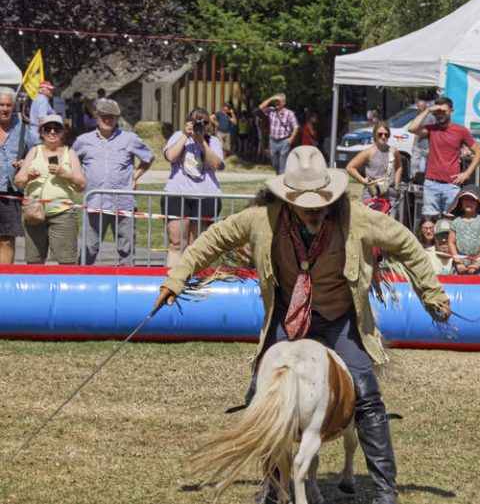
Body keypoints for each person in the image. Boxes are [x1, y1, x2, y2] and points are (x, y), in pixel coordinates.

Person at [154, 146, 451, 504]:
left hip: (340, 318)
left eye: (320, 201)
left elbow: (407, 244)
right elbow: (213, 240)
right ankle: (273, 484)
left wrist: (432, 293)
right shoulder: (262, 219)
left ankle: (385, 491)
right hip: (287, 317)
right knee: (258, 394)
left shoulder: (356, 218)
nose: (314, 209)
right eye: (306, 203)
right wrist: (176, 279)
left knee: (366, 393)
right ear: (287, 198)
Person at [73, 99, 155, 266]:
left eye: (112, 116)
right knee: (89, 248)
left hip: (123, 202)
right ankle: (83, 277)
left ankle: (126, 279)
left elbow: (148, 157)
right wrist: (78, 176)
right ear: (96, 117)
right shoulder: (83, 140)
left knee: (126, 249)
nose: (108, 120)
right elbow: (71, 160)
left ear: (117, 118)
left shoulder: (129, 139)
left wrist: (135, 177)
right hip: (95, 203)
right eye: (104, 116)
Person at [14, 114, 85, 264]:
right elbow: (18, 182)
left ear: (63, 132)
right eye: (48, 129)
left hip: (63, 213)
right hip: (34, 213)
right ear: (41, 132)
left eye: (56, 129)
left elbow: (81, 185)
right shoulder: (34, 151)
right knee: (34, 262)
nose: (52, 132)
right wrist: (28, 177)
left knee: (67, 262)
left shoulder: (69, 152)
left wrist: (64, 173)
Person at [162, 107, 225, 267]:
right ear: (188, 122)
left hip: (206, 196)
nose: (200, 125)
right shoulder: (178, 136)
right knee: (176, 243)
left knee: (197, 244)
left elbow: (216, 164)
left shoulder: (213, 141)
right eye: (197, 122)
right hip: (177, 194)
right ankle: (172, 278)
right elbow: (170, 156)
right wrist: (186, 135)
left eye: (205, 122)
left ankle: (194, 277)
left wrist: (201, 142)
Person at [408, 96, 480, 217]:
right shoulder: (431, 129)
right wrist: (428, 110)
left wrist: (467, 173)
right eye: (438, 112)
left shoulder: (461, 131)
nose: (440, 114)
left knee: (450, 221)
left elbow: (478, 153)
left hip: (451, 184)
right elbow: (412, 128)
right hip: (431, 183)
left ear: (451, 111)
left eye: (444, 111)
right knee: (430, 221)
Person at [0, 87, 36, 264]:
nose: (4, 108)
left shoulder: (22, 128)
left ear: (13, 107)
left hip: (11, 192)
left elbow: (35, 153)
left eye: (8, 105)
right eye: (1, 105)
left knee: (7, 239)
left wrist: (25, 163)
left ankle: (4, 277)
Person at [345, 121, 403, 204]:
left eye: (386, 135)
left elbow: (399, 166)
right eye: (380, 134)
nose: (383, 137)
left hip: (390, 196)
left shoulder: (393, 151)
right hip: (372, 195)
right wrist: (363, 180)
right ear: (375, 135)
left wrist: (396, 185)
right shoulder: (368, 152)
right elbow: (350, 167)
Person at [446, 185, 480, 275]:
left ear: (478, 203)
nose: (468, 202)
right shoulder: (456, 222)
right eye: (465, 199)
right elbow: (451, 243)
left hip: (477, 264)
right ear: (460, 202)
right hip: (459, 265)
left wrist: (477, 264)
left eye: (472, 200)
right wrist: (458, 262)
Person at [259, 93, 299, 175]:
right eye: (276, 101)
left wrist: (291, 139)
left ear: (284, 103)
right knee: (273, 160)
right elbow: (261, 107)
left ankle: (281, 177)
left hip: (284, 140)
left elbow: (296, 127)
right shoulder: (271, 111)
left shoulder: (289, 113)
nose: (277, 103)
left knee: (282, 161)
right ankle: (279, 174)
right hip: (273, 140)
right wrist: (271, 98)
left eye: (279, 101)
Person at [410, 99, 433, 178]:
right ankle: (414, 178)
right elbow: (415, 132)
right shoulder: (417, 116)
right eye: (418, 106)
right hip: (418, 145)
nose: (419, 108)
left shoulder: (430, 117)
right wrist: (413, 144)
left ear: (425, 107)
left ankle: (426, 179)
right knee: (414, 163)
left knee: (427, 165)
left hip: (428, 146)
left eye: (421, 106)